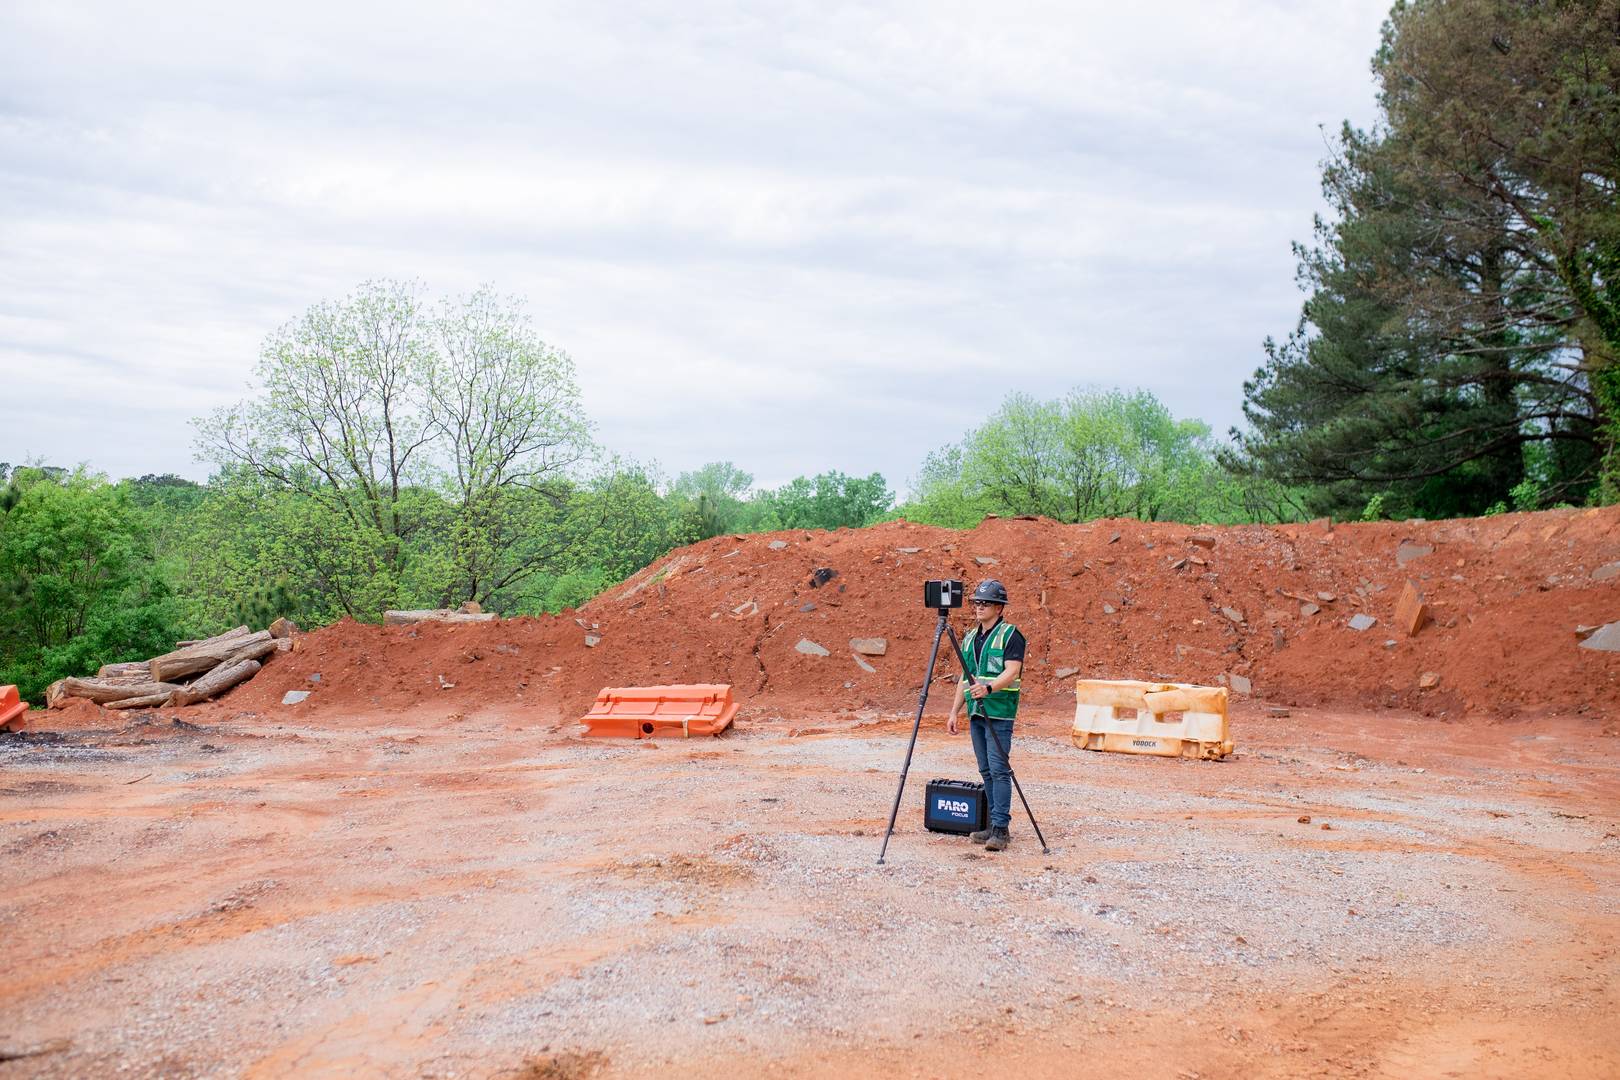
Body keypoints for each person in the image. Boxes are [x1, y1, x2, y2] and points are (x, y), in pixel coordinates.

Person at [946, 579, 1025, 851]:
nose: (979, 607)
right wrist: (954, 711)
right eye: (977, 603)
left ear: (999, 608)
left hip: (1000, 713)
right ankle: (992, 824)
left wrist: (989, 688)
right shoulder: (969, 638)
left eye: (985, 603)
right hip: (976, 713)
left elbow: (1012, 671)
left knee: (1000, 770)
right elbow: (964, 679)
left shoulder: (1011, 635)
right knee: (986, 770)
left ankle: (1001, 830)